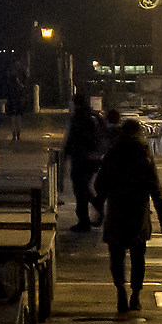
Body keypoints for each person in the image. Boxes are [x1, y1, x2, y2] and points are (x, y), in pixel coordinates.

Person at [93, 118, 162, 315]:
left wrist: (102, 200)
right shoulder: (144, 155)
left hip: (117, 211)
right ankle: (136, 294)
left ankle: (120, 291)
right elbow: (156, 188)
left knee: (116, 257)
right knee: (138, 256)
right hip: (138, 213)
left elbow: (100, 184)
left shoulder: (113, 153)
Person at [62, 91, 104, 232]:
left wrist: (65, 154)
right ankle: (95, 204)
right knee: (85, 187)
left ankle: (84, 220)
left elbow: (72, 138)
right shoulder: (95, 116)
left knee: (80, 189)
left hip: (80, 158)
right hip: (94, 158)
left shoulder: (77, 118)